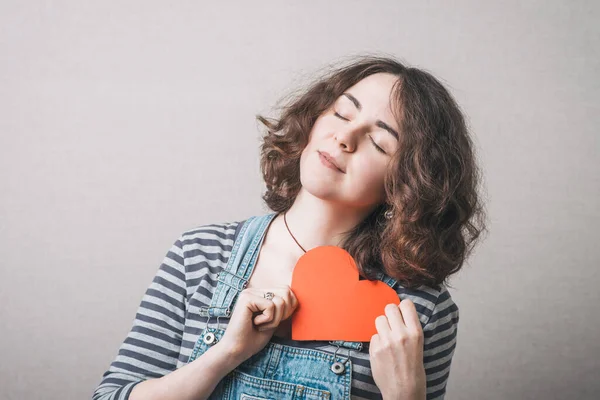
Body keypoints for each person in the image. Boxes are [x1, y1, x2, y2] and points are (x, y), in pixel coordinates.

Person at [92, 55, 486, 400]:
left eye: (379, 143)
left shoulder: (419, 311)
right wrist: (225, 355)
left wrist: (406, 396)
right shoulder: (199, 254)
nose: (344, 137)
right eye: (342, 113)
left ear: (408, 184)